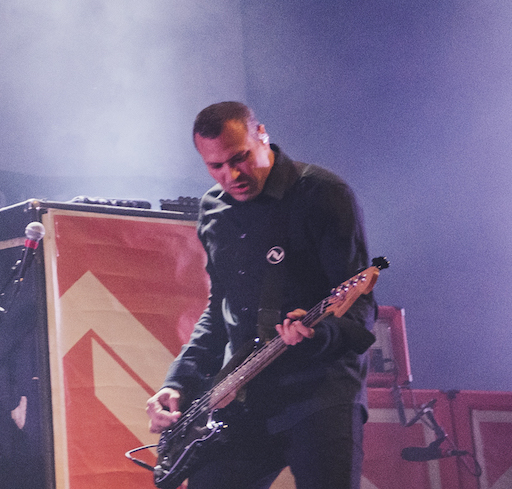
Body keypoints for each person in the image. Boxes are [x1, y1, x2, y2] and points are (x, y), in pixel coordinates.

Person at [146, 101, 375, 489]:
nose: (231, 175)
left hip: (320, 394)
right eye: (215, 166)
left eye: (241, 158)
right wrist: (178, 382)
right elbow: (220, 311)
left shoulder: (323, 194)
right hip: (245, 397)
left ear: (262, 135)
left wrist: (320, 334)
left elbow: (360, 307)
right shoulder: (214, 210)